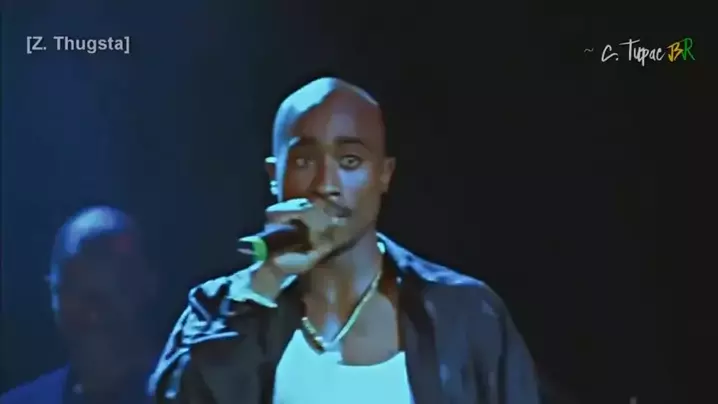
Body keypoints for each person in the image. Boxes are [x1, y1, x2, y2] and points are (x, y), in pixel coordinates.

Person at [149, 77, 541, 404]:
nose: (326, 184)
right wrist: (263, 284)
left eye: (350, 161)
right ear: (274, 176)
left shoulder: (465, 312)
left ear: (384, 175)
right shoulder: (218, 309)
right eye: (304, 161)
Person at [1, 206, 158, 404]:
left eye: (116, 288)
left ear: (148, 285)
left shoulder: (189, 394)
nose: (94, 313)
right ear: (52, 292)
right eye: (75, 290)